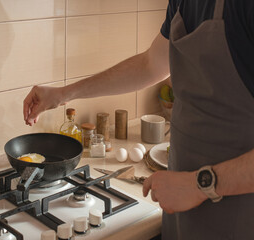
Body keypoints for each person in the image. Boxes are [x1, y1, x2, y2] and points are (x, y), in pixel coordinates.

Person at [23, 0, 254, 239]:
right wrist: (63, 94)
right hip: (181, 205)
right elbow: (151, 64)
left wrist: (199, 185)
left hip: (239, 214)